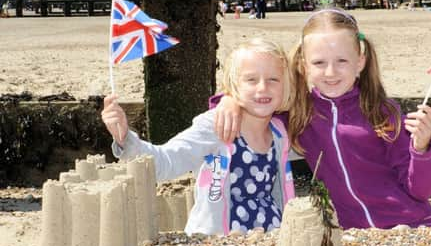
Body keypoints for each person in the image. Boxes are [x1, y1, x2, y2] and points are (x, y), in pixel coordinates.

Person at [213, 8, 431, 230]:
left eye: (342, 61)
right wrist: (227, 100)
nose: (331, 72)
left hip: (412, 224)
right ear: (304, 65)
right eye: (319, 63)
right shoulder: (300, 112)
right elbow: (258, 103)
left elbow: (421, 191)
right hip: (349, 232)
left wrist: (421, 148)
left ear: (360, 62)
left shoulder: (382, 111)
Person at [101, 39, 295, 236]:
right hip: (218, 242)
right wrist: (125, 138)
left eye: (273, 79)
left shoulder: (279, 133)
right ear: (233, 85)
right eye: (251, 80)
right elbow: (166, 161)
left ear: (285, 86)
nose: (262, 88)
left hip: (270, 237)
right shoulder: (216, 126)